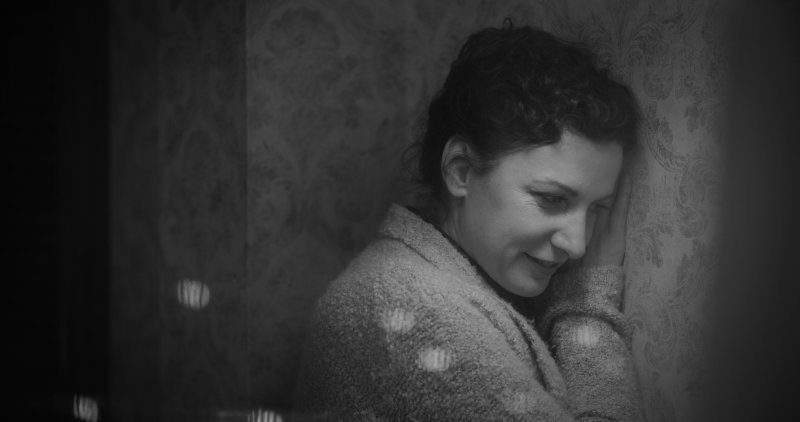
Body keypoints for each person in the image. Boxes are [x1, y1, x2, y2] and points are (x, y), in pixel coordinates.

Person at [292, 20, 643, 421]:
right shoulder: (410, 307)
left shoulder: (426, 280)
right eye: (551, 198)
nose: (577, 245)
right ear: (460, 170)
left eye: (597, 208)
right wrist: (587, 304)